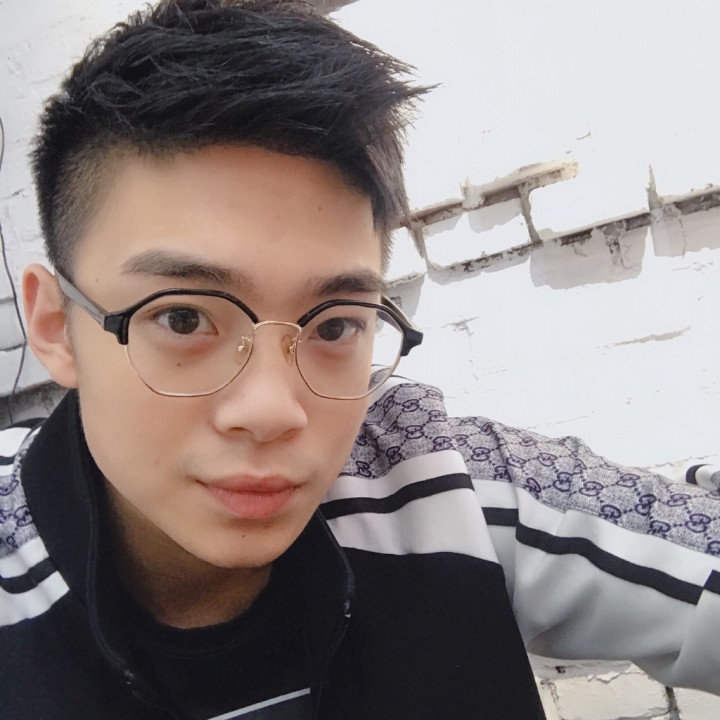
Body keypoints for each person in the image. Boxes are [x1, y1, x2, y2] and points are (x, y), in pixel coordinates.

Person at [1, 1, 719, 718]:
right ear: (56, 325)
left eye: (336, 325)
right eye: (184, 318)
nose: (273, 411)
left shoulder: (439, 486)